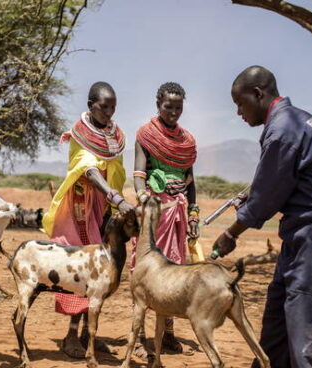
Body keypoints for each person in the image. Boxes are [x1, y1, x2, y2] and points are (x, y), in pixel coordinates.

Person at [213, 66, 312, 368]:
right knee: (280, 318)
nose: (238, 112)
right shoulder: (290, 121)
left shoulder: (284, 128)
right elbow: (282, 182)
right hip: (303, 230)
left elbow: (265, 199)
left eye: (239, 103)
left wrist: (231, 234)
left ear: (258, 94)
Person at [41, 81, 135, 358]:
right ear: (90, 106)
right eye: (103, 107)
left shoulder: (114, 136)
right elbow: (89, 170)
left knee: (101, 272)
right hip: (80, 208)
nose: (108, 112)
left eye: (112, 108)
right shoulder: (80, 134)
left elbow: (115, 170)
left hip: (103, 209)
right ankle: (71, 335)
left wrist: (111, 202)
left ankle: (88, 333)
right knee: (81, 270)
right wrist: (115, 197)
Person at [132, 82, 199, 355]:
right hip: (153, 214)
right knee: (145, 272)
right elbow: (138, 174)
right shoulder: (146, 135)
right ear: (158, 104)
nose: (173, 112)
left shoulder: (187, 142)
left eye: (178, 107)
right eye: (168, 106)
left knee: (172, 272)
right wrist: (143, 200)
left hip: (178, 216)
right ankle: (139, 337)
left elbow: (191, 181)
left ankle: (168, 335)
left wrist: (194, 213)